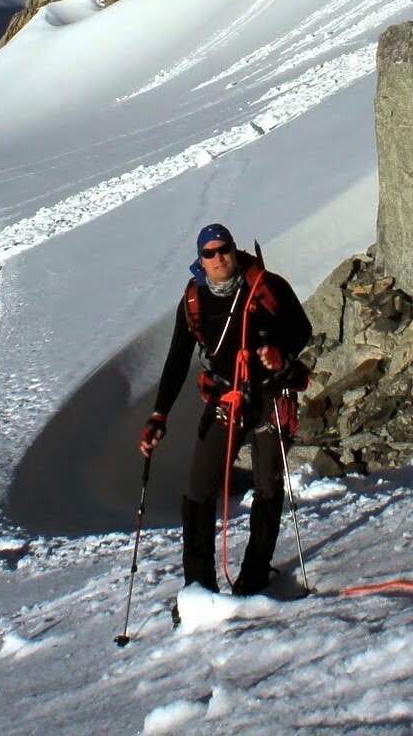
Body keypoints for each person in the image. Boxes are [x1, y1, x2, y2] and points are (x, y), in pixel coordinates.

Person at [138, 223, 312, 594]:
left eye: (224, 249)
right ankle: (199, 585)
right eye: (210, 253)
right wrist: (159, 415)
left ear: (234, 249)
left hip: (268, 395)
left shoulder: (267, 285)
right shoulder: (193, 300)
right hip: (225, 399)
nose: (219, 258)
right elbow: (176, 361)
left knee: (267, 486)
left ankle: (253, 576)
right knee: (198, 489)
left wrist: (282, 353)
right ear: (200, 259)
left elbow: (302, 329)